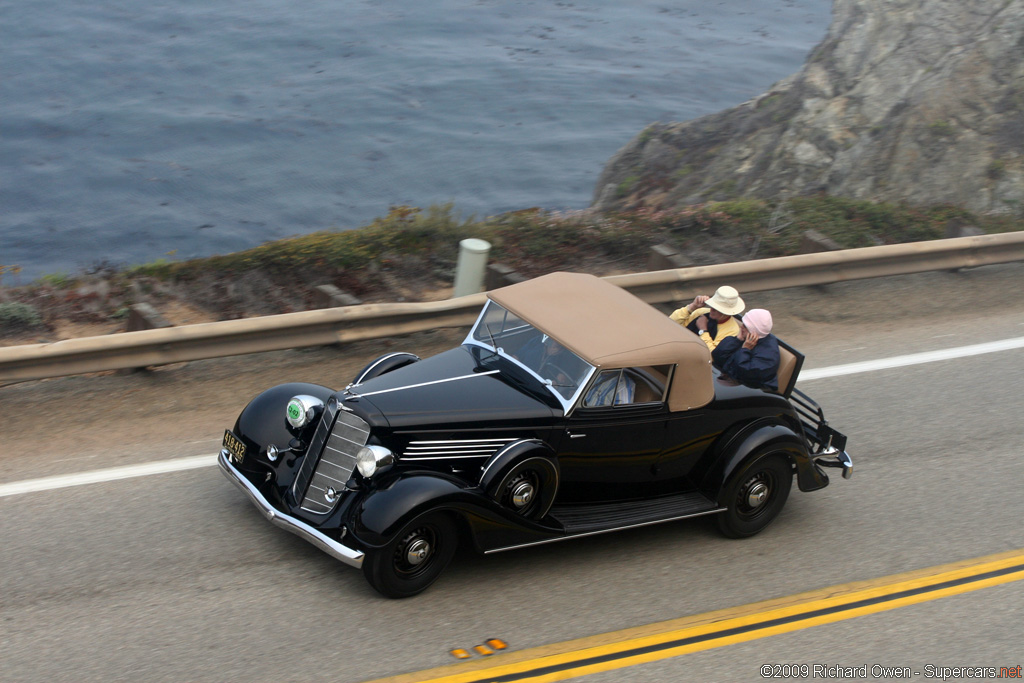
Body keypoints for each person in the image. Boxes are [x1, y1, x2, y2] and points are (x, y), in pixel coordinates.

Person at [711, 308, 780, 391]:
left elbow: (746, 373)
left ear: (754, 330)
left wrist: (745, 349)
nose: (741, 327)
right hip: (732, 379)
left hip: (754, 389)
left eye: (745, 326)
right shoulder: (747, 339)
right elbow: (717, 356)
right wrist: (736, 340)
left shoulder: (769, 354)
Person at [669, 285, 745, 351]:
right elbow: (670, 324)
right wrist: (692, 307)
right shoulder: (701, 312)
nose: (712, 310)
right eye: (712, 306)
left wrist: (703, 330)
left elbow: (713, 355)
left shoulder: (732, 332)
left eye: (717, 309)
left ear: (726, 312)